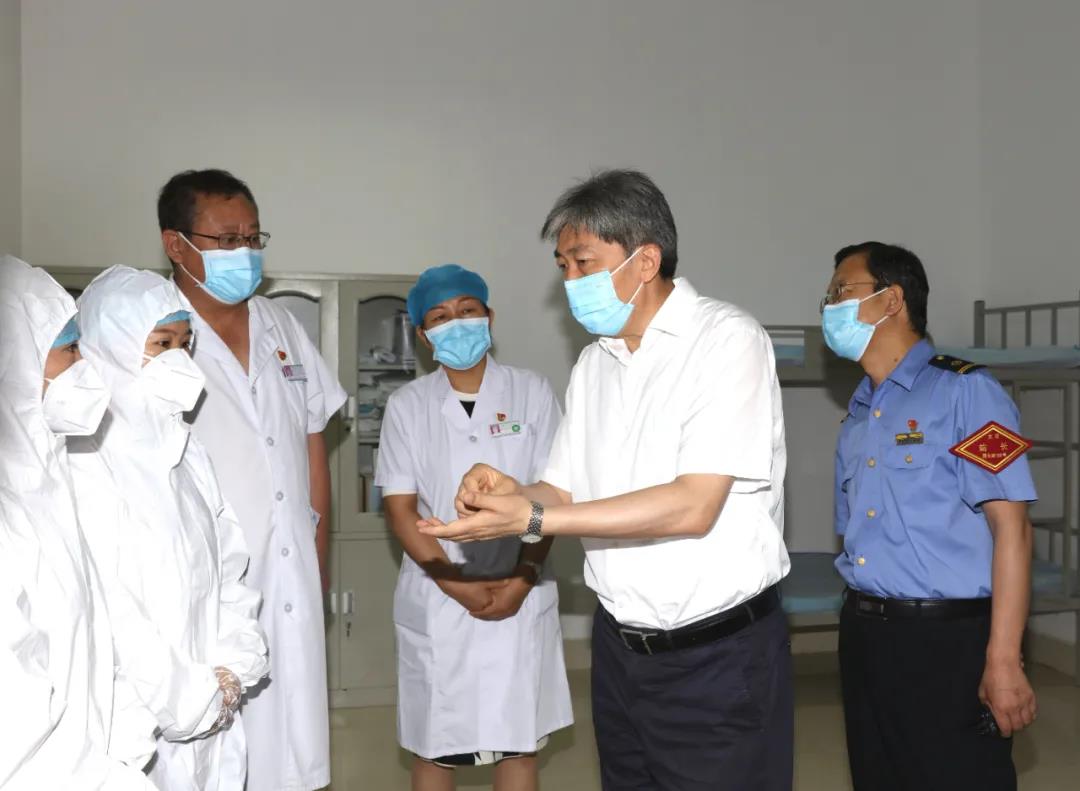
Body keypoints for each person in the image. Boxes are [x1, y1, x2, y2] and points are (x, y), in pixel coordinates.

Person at [421, 170, 793, 790]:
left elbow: (694, 505)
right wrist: (512, 492)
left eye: (583, 263)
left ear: (645, 261)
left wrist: (534, 518)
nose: (570, 281)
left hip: (716, 654)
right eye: (563, 266)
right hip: (620, 650)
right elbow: (564, 491)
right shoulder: (596, 362)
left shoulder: (725, 341)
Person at [821, 242, 1037, 791]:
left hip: (946, 641)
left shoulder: (971, 393)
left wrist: (1004, 659)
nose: (829, 306)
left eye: (842, 291)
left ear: (891, 300)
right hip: (865, 633)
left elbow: (1012, 528)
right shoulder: (859, 414)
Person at [157, 169, 346, 791]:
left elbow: (312, 441)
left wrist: (318, 556)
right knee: (214, 741)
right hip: (206, 577)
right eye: (226, 239)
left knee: (293, 740)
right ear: (175, 244)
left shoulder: (281, 326)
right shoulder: (157, 333)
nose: (243, 251)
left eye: (252, 236)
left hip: (291, 565)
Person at [67, 265, 270, 790]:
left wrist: (234, 668)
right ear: (112, 346)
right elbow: (113, 609)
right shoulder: (84, 461)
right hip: (135, 724)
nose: (177, 358)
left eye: (184, 343)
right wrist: (187, 701)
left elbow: (229, 569)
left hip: (214, 710)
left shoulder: (187, 450)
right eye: (161, 343)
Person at [375, 264, 573, 791]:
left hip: (521, 585)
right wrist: (455, 583)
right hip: (439, 591)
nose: (456, 323)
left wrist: (524, 577)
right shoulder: (407, 406)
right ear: (423, 336)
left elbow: (554, 495)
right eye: (439, 317)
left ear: (489, 317)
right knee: (435, 746)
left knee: (519, 743)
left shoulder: (531, 392)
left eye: (467, 310)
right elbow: (401, 509)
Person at [0, 254, 156, 790]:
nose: (85, 368)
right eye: (69, 350)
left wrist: (124, 751)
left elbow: (93, 643)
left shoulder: (48, 482)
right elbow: (17, 719)